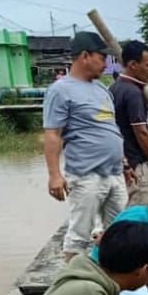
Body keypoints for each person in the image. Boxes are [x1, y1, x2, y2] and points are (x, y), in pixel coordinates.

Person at [44, 31, 128, 261]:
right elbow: (53, 133)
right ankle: (73, 282)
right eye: (102, 57)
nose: (105, 63)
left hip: (114, 174)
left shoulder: (101, 89)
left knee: (117, 233)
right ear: (84, 56)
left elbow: (110, 128)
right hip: (86, 174)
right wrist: (54, 175)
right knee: (79, 236)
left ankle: (112, 282)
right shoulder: (61, 90)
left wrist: (124, 162)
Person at [111, 40, 148, 206]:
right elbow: (141, 132)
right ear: (133, 65)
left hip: (121, 162)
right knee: (140, 209)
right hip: (136, 163)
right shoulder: (133, 92)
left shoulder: (114, 88)